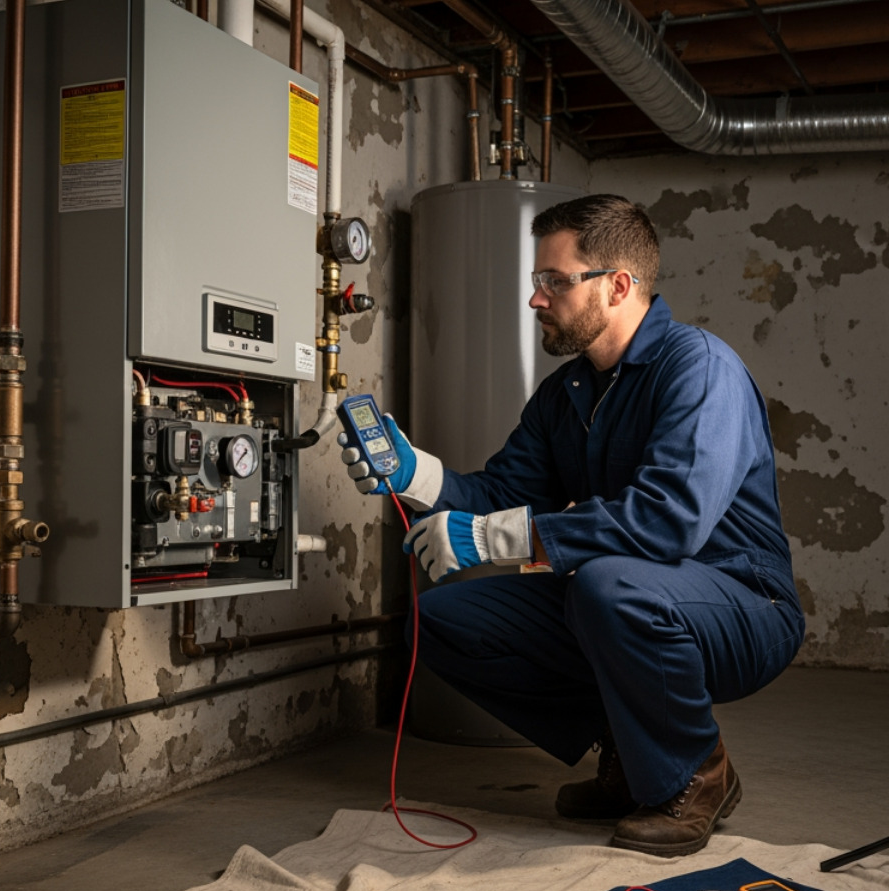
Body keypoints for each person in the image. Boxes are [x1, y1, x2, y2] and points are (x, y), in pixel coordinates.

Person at [340, 194, 804, 856]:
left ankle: (698, 773)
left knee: (608, 586)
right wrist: (416, 475)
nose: (536, 298)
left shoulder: (699, 369)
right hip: (619, 595)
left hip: (742, 602)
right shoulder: (567, 394)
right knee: (442, 619)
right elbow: (499, 493)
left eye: (553, 281)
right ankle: (633, 747)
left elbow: (668, 523)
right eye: (537, 281)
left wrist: (499, 539)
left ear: (618, 287)